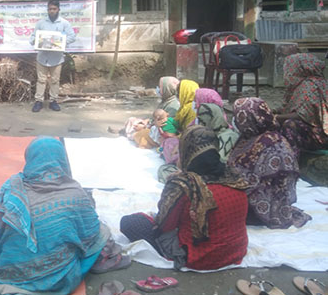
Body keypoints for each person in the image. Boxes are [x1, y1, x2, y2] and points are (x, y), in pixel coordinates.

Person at [0, 137, 114, 295]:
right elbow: (90, 233)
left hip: (8, 269)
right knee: (102, 231)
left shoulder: (13, 188)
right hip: (61, 278)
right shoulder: (74, 193)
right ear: (62, 159)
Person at [120, 126, 250, 271]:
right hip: (235, 252)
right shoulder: (235, 178)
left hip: (198, 257)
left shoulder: (183, 186)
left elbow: (164, 226)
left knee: (129, 222)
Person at [227, 98, 311, 229]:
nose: (237, 121)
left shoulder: (274, 143)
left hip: (262, 209)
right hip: (243, 203)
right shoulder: (246, 138)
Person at [277, 53, 328, 155]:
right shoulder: (303, 84)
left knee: (289, 125)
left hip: (320, 136)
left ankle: (293, 160)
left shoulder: (310, 86)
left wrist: (276, 117)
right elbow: (289, 107)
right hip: (311, 129)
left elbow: (301, 116)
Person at [30, 0, 76, 112]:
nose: (52, 11)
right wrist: (36, 41)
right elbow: (32, 38)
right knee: (41, 80)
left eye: (54, 9)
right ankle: (38, 101)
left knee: (55, 80)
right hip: (42, 57)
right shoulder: (41, 23)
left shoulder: (64, 23)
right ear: (47, 9)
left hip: (57, 58)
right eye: (50, 9)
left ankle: (53, 101)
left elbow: (72, 37)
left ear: (58, 9)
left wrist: (59, 42)